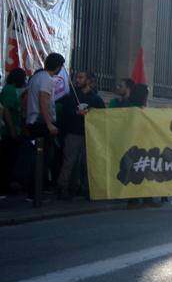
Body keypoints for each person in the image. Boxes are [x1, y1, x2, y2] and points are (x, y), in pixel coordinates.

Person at [55, 70, 105, 199]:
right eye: (77, 77)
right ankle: (63, 188)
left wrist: (92, 113)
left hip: (90, 135)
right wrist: (76, 113)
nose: (77, 80)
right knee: (69, 162)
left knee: (87, 163)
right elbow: (63, 114)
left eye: (81, 77)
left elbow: (103, 117)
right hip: (73, 133)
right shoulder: (70, 97)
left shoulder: (96, 99)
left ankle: (86, 188)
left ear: (89, 81)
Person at [25, 53, 65, 199]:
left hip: (32, 121)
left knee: (36, 158)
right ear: (59, 66)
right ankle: (36, 192)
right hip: (41, 123)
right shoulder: (47, 79)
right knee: (43, 158)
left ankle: (33, 191)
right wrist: (49, 124)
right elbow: (43, 101)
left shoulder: (36, 77)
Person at [0, 69, 25, 194]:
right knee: (7, 159)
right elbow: (6, 110)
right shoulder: (9, 90)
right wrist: (12, 129)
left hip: (13, 129)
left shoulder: (11, 90)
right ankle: (4, 186)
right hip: (9, 131)